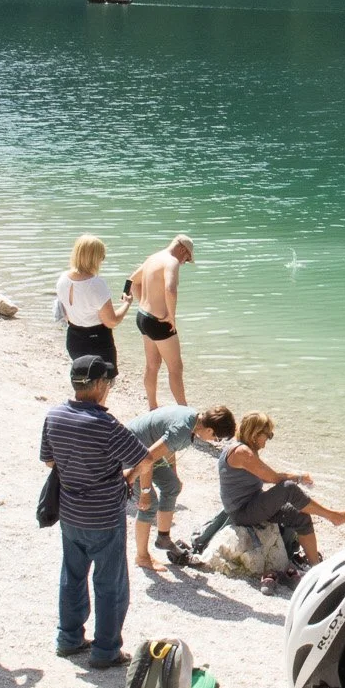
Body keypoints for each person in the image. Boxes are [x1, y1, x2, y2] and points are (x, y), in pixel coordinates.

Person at [40, 356, 156, 667]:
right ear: (100, 385)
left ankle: (69, 638)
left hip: (70, 512)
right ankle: (105, 651)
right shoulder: (105, 425)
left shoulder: (55, 416)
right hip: (104, 516)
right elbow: (144, 460)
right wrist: (127, 478)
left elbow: (49, 461)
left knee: (73, 575)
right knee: (110, 583)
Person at [209, 408, 345, 567]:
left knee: (301, 516)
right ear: (255, 434)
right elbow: (273, 478)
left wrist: (297, 478)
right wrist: (299, 477)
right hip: (242, 512)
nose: (267, 441)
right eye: (268, 436)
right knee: (288, 488)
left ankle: (315, 567)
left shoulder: (244, 449)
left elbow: (264, 476)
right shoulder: (242, 452)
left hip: (252, 504)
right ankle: (333, 516)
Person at [123, 404, 225, 570]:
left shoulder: (192, 419)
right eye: (217, 438)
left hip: (145, 450)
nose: (215, 441)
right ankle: (142, 556)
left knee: (172, 486)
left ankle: (163, 538)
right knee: (149, 506)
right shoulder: (182, 430)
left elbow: (167, 448)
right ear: (209, 430)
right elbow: (146, 459)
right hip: (129, 452)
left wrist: (174, 474)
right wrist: (145, 492)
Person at [128, 235, 195, 408]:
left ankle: (152, 407)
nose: (183, 263)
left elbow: (132, 280)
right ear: (182, 249)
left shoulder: (153, 258)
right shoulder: (171, 261)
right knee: (176, 368)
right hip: (159, 322)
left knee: (152, 365)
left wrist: (141, 301)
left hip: (143, 316)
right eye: (186, 259)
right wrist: (171, 316)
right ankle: (184, 411)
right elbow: (170, 289)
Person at [55, 235, 130, 372]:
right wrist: (127, 304)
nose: (102, 260)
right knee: (102, 384)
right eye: (102, 256)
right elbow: (111, 321)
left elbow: (64, 313)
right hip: (97, 340)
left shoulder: (62, 279)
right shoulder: (95, 284)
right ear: (94, 258)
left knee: (82, 380)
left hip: (73, 338)